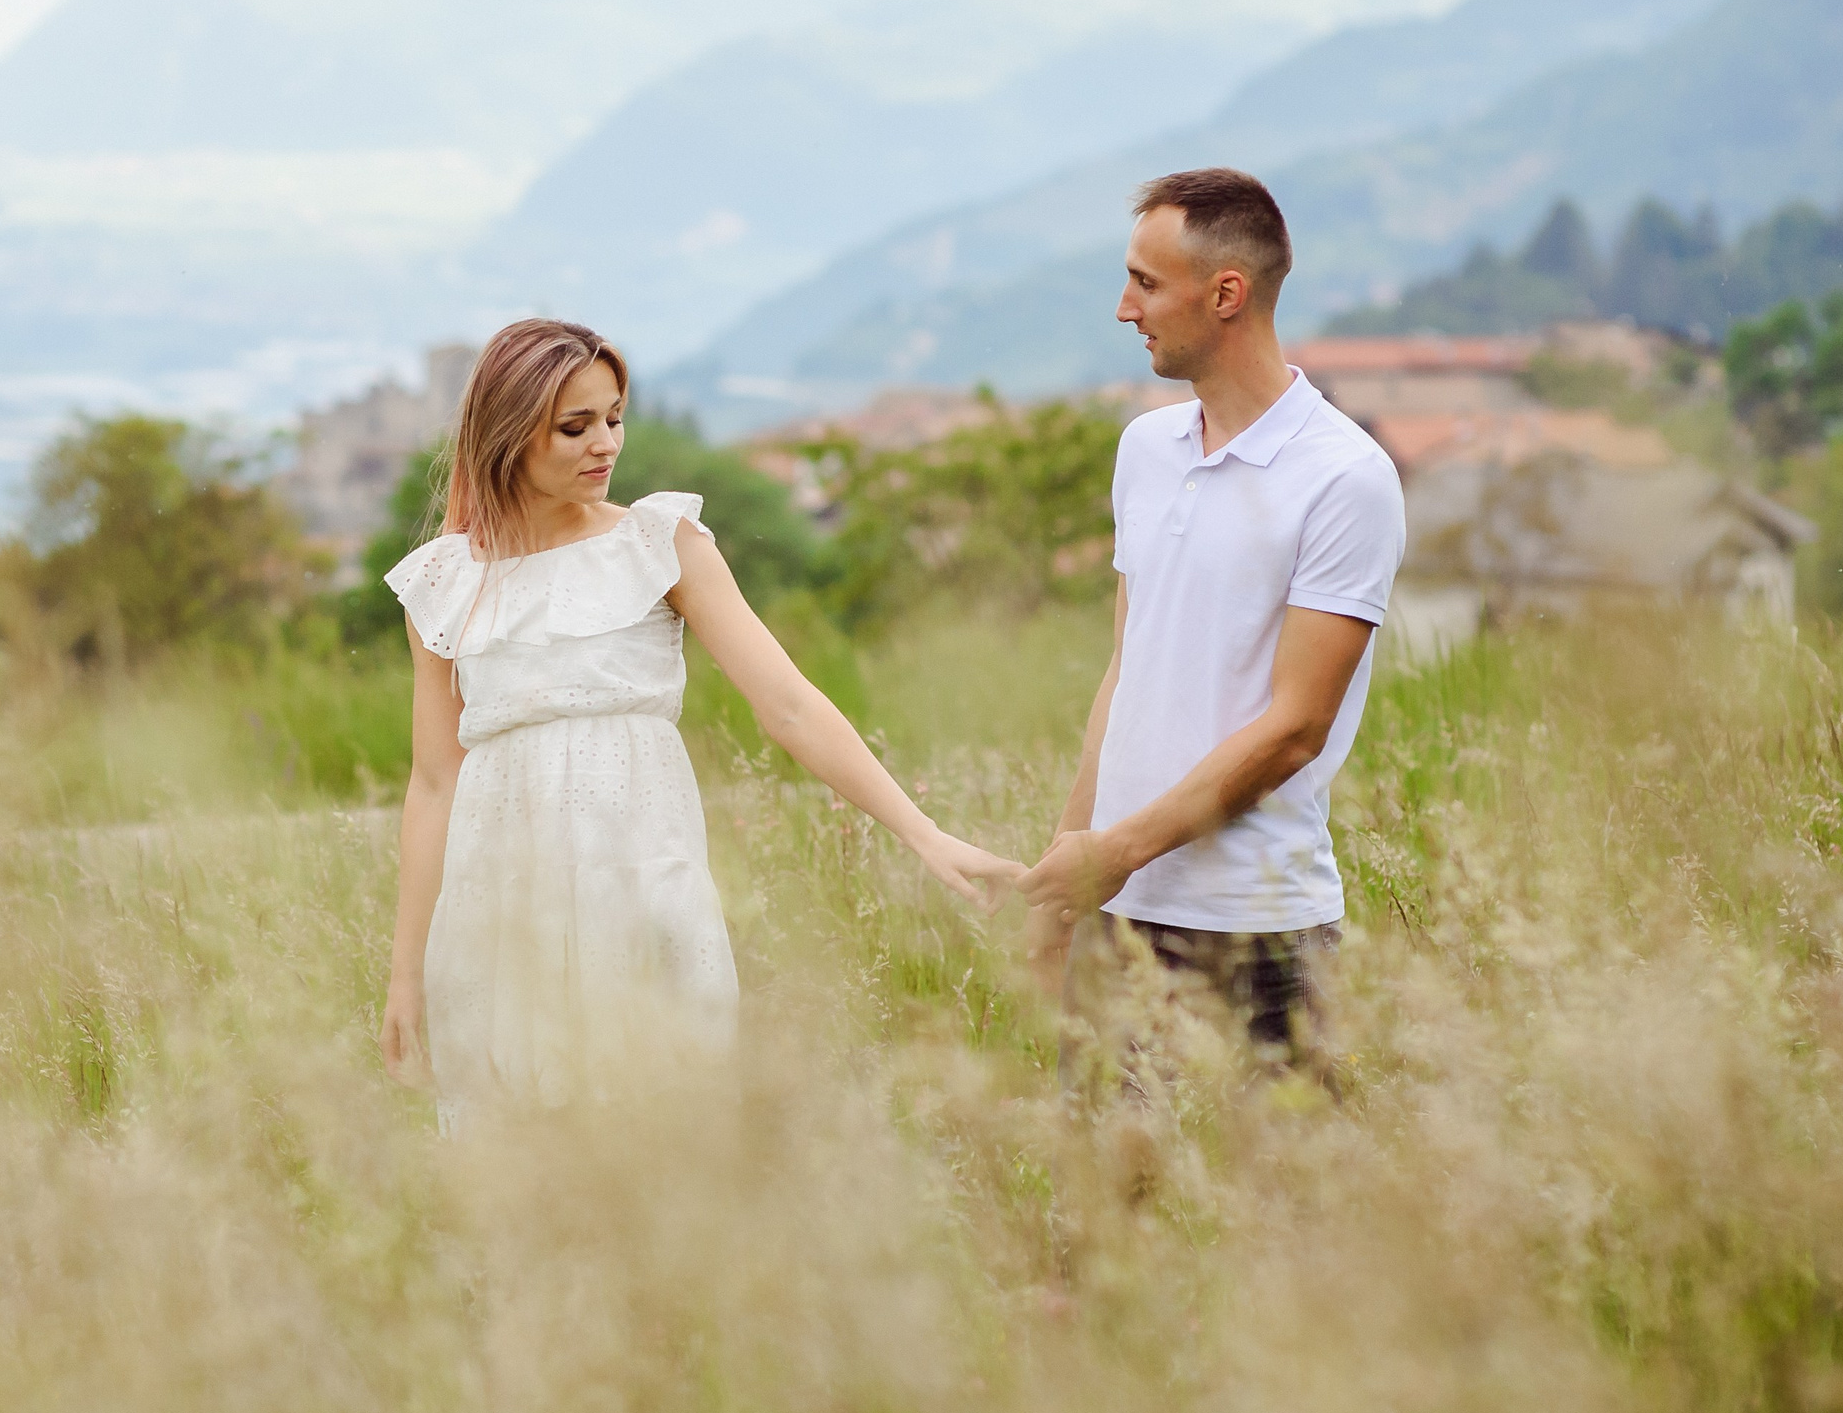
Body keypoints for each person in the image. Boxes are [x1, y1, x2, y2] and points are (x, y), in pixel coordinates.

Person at [378, 317, 1020, 1130]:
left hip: (644, 892)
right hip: (500, 918)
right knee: (523, 1180)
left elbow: (789, 706)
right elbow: (434, 785)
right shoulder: (443, 583)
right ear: (507, 434)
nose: (604, 443)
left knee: (666, 1154)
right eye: (575, 426)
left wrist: (926, 835)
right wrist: (407, 976)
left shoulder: (660, 543)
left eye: (614, 416)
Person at [1012, 169, 1405, 1072]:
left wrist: (1117, 851)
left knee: (1285, 1211)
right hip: (1115, 919)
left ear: (1226, 293)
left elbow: (1295, 729)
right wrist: (1066, 887)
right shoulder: (1144, 449)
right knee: (1106, 1203)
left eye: (1145, 283)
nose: (1123, 308)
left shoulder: (1346, 478)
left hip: (1262, 939)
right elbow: (1127, 670)